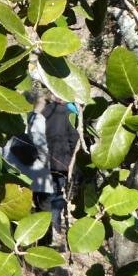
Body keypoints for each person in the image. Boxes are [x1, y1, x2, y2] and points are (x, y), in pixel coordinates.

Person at [4, 92, 51, 229]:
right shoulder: (36, 119)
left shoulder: (6, 119)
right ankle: (43, 244)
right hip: (36, 173)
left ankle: (14, 239)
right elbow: (41, 145)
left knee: (14, 208)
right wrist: (45, 162)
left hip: (13, 172)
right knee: (43, 209)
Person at [41, 98, 77, 245]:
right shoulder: (70, 115)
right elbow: (74, 140)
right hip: (61, 163)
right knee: (56, 196)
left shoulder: (44, 113)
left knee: (45, 197)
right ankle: (55, 228)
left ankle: (45, 232)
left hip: (43, 163)